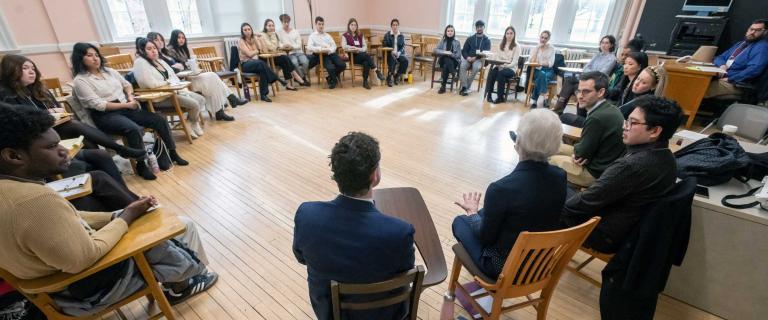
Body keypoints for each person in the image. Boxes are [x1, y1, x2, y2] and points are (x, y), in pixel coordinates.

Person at [0, 104, 217, 316]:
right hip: (84, 292)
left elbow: (67, 218)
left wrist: (115, 215)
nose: (64, 150)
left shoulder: (12, 190)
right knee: (181, 226)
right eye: (51, 147)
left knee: (148, 218)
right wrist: (127, 217)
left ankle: (185, 278)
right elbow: (83, 259)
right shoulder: (34, 199)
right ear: (14, 156)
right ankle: (182, 286)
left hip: (45, 288)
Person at [293, 132, 415, 320]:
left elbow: (301, 257)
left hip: (331, 312)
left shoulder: (307, 215)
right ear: (375, 175)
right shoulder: (399, 232)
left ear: (336, 174)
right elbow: (403, 273)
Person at [452, 109, 566, 279]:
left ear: (518, 143)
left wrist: (472, 213)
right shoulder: (560, 176)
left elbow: (485, 238)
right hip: (539, 265)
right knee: (487, 214)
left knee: (460, 221)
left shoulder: (501, 189)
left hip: (504, 269)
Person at [562, 95, 682, 254]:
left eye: (633, 123)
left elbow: (587, 201)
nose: (625, 126)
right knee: (559, 187)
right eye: (627, 120)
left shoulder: (632, 166)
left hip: (604, 234)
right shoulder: (668, 157)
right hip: (629, 229)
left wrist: (554, 204)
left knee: (545, 194)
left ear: (654, 131)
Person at [71, 42, 189, 180]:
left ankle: (172, 152)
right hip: (105, 115)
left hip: (126, 106)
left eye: (96, 55)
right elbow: (98, 105)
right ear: (80, 59)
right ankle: (141, 164)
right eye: (90, 56)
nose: (95, 58)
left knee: (159, 120)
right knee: (133, 128)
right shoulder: (80, 81)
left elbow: (126, 84)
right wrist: (126, 106)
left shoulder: (110, 72)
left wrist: (130, 97)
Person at [0, 54, 145, 160]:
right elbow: (21, 120)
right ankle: (119, 149)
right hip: (34, 136)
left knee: (87, 141)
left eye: (32, 68)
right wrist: (48, 112)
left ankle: (104, 161)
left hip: (55, 127)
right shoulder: (6, 95)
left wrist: (55, 110)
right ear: (11, 71)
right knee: (75, 126)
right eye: (25, 68)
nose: (31, 71)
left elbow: (59, 109)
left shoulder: (39, 89)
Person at [549, 72, 624, 187]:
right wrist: (581, 153)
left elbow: (580, 153)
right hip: (600, 162)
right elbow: (583, 151)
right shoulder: (609, 108)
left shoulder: (597, 117)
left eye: (586, 91)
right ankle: (526, 142)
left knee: (547, 159)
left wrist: (580, 154)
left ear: (601, 92)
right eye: (579, 91)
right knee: (548, 147)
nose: (580, 96)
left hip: (595, 173)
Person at [132, 37, 206, 138]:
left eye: (154, 47)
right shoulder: (140, 63)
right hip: (158, 98)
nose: (153, 50)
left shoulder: (160, 61)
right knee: (194, 104)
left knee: (201, 99)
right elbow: (150, 84)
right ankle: (189, 124)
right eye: (149, 49)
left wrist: (170, 83)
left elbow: (174, 76)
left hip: (172, 92)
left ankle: (193, 122)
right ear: (141, 51)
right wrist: (168, 83)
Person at [162, 30, 247, 115]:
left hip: (192, 76)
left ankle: (224, 107)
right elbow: (178, 68)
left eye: (183, 38)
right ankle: (228, 101)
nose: (181, 40)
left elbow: (186, 65)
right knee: (212, 79)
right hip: (184, 81)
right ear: (174, 38)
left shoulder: (182, 49)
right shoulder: (170, 50)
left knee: (213, 77)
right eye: (179, 37)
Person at [552, 35, 617, 114]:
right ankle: (560, 109)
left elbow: (602, 73)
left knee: (573, 86)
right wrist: (592, 72)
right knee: (570, 81)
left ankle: (557, 111)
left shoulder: (612, 59)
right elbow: (586, 68)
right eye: (602, 42)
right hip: (587, 79)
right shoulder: (597, 55)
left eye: (606, 43)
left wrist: (590, 72)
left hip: (597, 82)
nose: (603, 45)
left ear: (611, 45)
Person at [704, 19, 768, 99]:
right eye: (751, 29)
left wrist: (731, 79)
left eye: (757, 30)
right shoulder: (741, 44)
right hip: (721, 76)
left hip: (735, 83)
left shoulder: (762, 47)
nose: (752, 33)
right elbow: (720, 57)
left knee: (699, 89)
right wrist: (722, 65)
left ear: (765, 32)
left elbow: (754, 69)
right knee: (697, 82)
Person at [238, 22, 286, 102]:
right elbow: (249, 54)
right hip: (245, 65)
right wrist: (257, 50)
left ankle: (263, 95)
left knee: (262, 69)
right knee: (261, 63)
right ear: (242, 32)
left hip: (255, 63)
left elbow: (264, 51)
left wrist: (261, 39)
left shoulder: (254, 39)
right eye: (245, 30)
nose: (247, 31)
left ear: (251, 30)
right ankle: (276, 78)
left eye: (249, 29)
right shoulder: (241, 41)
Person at [258, 20, 305, 90]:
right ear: (265, 26)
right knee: (285, 59)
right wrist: (275, 47)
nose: (271, 27)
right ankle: (295, 76)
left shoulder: (274, 34)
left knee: (285, 59)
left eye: (272, 25)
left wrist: (280, 47)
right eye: (269, 25)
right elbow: (271, 47)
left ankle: (289, 83)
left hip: (273, 56)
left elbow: (276, 47)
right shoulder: (262, 35)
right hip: (266, 58)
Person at [342, 18, 385, 89]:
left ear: (357, 26)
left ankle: (365, 82)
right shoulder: (345, 35)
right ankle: (376, 70)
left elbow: (365, 47)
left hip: (362, 55)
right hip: (353, 57)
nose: (353, 27)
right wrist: (353, 48)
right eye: (352, 25)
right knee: (367, 56)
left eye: (355, 25)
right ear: (349, 26)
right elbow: (344, 46)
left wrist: (358, 49)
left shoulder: (360, 35)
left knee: (366, 62)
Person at [483, 26, 521, 104]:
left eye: (511, 33)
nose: (509, 35)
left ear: (514, 34)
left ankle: (500, 97)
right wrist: (495, 64)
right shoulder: (501, 44)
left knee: (501, 73)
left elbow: (514, 62)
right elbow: (497, 57)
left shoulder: (517, 46)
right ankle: (489, 95)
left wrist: (505, 66)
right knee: (492, 72)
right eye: (507, 33)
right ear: (505, 34)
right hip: (500, 65)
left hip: (511, 68)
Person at [307, 16, 347, 89]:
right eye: (319, 24)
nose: (321, 26)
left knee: (343, 65)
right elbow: (309, 47)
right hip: (321, 55)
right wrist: (320, 48)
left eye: (322, 24)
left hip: (331, 53)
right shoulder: (312, 36)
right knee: (330, 67)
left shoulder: (327, 35)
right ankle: (334, 81)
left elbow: (334, 46)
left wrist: (329, 50)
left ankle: (329, 77)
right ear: (316, 24)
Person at [458, 20, 492, 96]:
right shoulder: (470, 38)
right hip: (468, 58)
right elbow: (464, 51)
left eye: (481, 27)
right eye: (478, 27)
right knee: (462, 66)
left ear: (484, 27)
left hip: (479, 59)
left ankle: (466, 86)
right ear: (476, 28)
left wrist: (475, 57)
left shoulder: (487, 40)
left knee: (476, 67)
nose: (479, 28)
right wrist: (467, 57)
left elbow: (486, 53)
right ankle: (464, 87)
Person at [277, 14, 311, 86]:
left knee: (305, 62)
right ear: (281, 22)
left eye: (288, 22)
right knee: (294, 63)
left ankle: (300, 77)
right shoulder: (279, 32)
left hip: (298, 52)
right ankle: (303, 79)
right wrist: (283, 45)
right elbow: (278, 43)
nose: (286, 24)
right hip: (289, 53)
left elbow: (299, 45)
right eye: (284, 22)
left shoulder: (295, 31)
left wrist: (291, 46)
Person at [529, 30, 557, 108]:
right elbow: (531, 61)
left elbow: (551, 63)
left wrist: (540, 63)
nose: (543, 39)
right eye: (542, 37)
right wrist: (537, 48)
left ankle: (534, 101)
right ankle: (543, 96)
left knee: (541, 78)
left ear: (548, 39)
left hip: (548, 70)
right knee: (542, 75)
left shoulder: (551, 48)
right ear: (539, 37)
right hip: (536, 70)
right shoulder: (535, 47)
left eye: (545, 38)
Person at [434, 25, 461, 94]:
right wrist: (445, 52)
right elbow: (435, 50)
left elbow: (458, 55)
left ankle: (443, 86)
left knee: (446, 65)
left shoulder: (457, 42)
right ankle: (454, 74)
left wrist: (451, 54)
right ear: (446, 32)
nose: (450, 32)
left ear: (454, 32)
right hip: (442, 60)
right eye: (448, 31)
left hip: (453, 61)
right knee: (446, 58)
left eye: (451, 31)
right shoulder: (442, 41)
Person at [382, 18, 409, 87]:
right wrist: (392, 51)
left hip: (399, 54)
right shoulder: (387, 35)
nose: (395, 26)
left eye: (396, 25)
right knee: (392, 59)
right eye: (393, 25)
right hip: (389, 54)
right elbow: (384, 45)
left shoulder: (401, 35)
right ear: (391, 26)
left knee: (405, 60)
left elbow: (403, 46)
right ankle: (389, 77)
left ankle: (397, 76)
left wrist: (399, 53)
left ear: (398, 26)